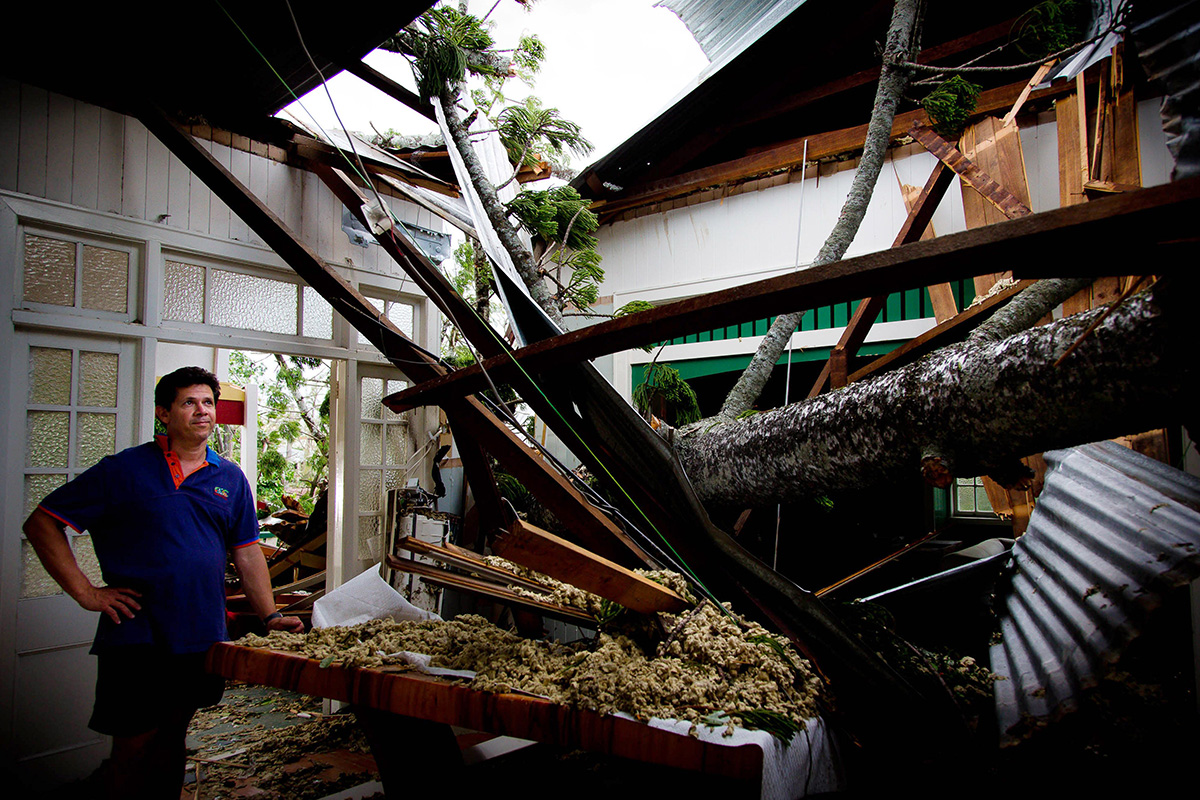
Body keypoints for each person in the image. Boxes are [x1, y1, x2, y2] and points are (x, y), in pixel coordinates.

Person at [23, 366, 304, 799]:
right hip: (137, 634)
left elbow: (247, 552)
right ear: (164, 413)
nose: (202, 411)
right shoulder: (124, 470)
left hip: (199, 634)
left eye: (208, 402)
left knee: (173, 739)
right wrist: (86, 592)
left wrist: (269, 616)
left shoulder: (229, 478)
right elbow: (42, 522)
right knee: (133, 746)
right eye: (189, 402)